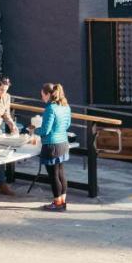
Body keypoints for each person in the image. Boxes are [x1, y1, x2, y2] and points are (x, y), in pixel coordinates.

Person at [37, 83, 72, 211]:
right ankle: (62, 202)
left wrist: (34, 130)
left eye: (42, 96)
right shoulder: (65, 106)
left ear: (48, 94)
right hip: (63, 143)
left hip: (51, 145)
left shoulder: (50, 109)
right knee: (61, 173)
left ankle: (57, 204)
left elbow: (45, 131)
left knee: (53, 176)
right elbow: (67, 124)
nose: (42, 99)